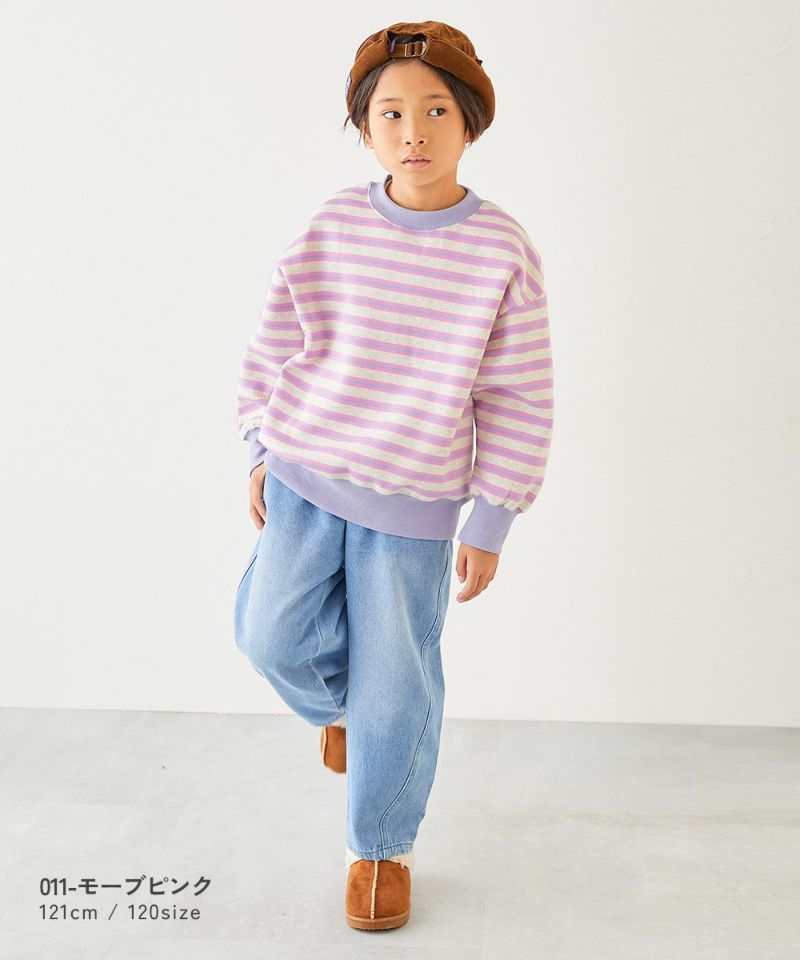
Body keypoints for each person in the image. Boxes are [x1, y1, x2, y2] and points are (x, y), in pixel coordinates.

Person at [233, 20, 554, 931]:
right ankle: (342, 713)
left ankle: (379, 849)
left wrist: (492, 518)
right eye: (391, 113)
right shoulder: (334, 223)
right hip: (305, 471)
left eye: (436, 110)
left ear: (471, 120)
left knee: (399, 680)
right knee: (269, 635)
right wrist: (258, 445)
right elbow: (275, 339)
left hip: (414, 506)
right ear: (365, 128)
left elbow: (519, 394)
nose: (414, 131)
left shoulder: (502, 250)